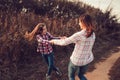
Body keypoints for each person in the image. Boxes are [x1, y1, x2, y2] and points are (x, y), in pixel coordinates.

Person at [49, 14, 96, 80]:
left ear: (83, 23)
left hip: (76, 61)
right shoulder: (93, 34)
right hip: (86, 60)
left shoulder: (79, 34)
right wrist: (68, 38)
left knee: (71, 76)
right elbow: (81, 42)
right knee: (81, 75)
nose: (79, 24)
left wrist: (53, 41)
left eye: (79, 22)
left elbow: (64, 43)